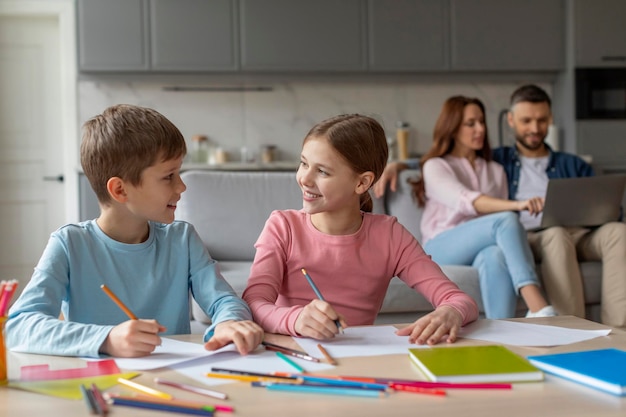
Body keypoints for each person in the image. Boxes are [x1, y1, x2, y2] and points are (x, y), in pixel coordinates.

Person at [6, 104, 263, 358]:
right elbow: (19, 326)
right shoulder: (69, 244)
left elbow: (224, 301)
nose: (181, 186)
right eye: (169, 176)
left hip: (174, 378)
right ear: (120, 190)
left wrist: (229, 322)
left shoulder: (182, 239)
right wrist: (106, 340)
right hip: (98, 384)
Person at [242, 114, 478, 346]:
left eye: (322, 171)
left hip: (359, 358)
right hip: (292, 354)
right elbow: (253, 304)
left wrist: (450, 312)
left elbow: (458, 299)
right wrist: (295, 319)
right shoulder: (283, 227)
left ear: (362, 183)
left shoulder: (389, 236)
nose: (305, 178)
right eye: (304, 163)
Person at [378, 96, 556, 319]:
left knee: (496, 255)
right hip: (441, 246)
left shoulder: (495, 170)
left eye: (482, 122)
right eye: (470, 124)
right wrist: (518, 205)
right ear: (452, 128)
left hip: (481, 247)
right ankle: (539, 307)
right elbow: (467, 201)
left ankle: (503, 333)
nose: (480, 129)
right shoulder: (436, 166)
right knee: (506, 218)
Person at [493, 84, 626, 327]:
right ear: (511, 120)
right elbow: (447, 160)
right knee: (555, 234)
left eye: (542, 120)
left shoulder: (573, 165)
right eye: (527, 121)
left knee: (619, 232)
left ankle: (619, 332)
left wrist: (605, 210)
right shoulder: (496, 160)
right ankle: (574, 331)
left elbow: (611, 210)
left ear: (550, 118)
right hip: (532, 238)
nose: (535, 128)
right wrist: (400, 165)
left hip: (579, 234)